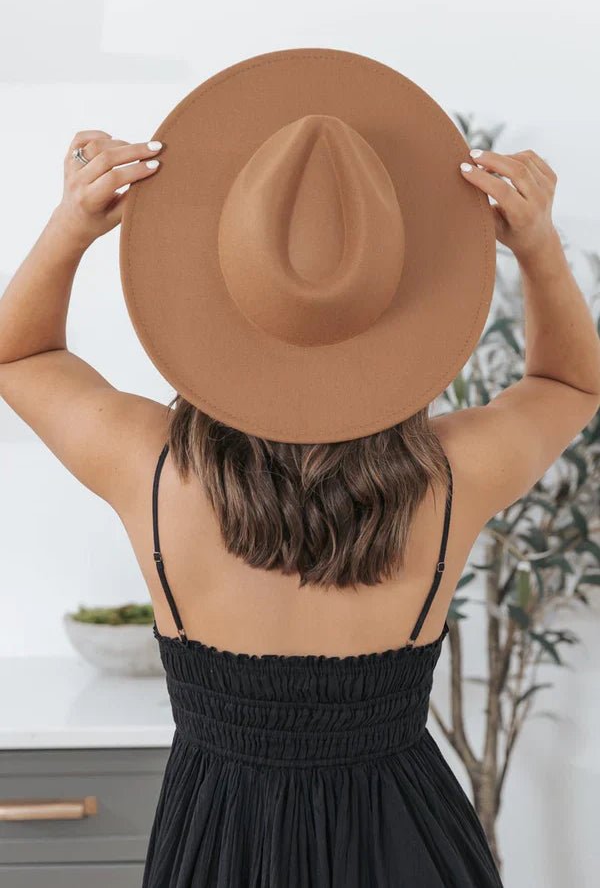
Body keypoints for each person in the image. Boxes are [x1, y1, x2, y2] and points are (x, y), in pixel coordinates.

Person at [1, 61, 599, 887]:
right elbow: (569, 383)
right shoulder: (450, 479)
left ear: (222, 302)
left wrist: (72, 223)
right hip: (409, 844)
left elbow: (20, 356)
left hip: (217, 847)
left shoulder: (152, 468)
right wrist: (535, 246)